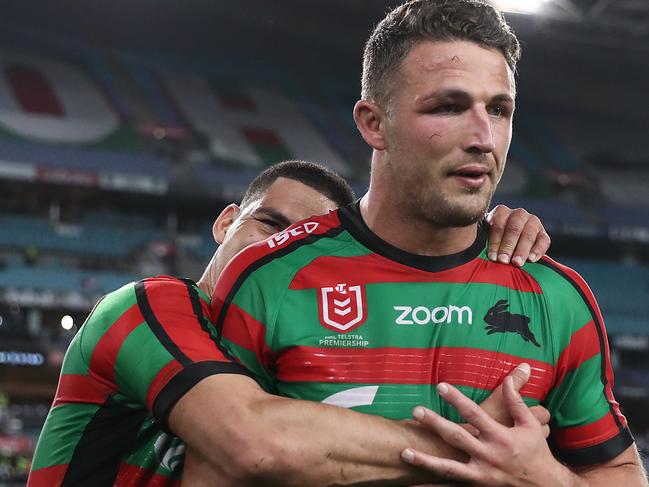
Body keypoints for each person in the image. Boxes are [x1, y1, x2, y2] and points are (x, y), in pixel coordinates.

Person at [208, 1, 648, 486]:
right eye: (449, 106)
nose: (484, 137)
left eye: (498, 110)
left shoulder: (558, 298)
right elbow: (216, 461)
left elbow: (620, 473)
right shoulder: (269, 279)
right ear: (373, 123)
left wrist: (546, 479)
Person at [28, 161, 552, 486]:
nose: (278, 252)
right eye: (270, 225)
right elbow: (251, 441)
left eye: (303, 243)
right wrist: (476, 449)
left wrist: (483, 241)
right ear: (225, 222)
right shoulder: (142, 308)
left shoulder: (310, 356)